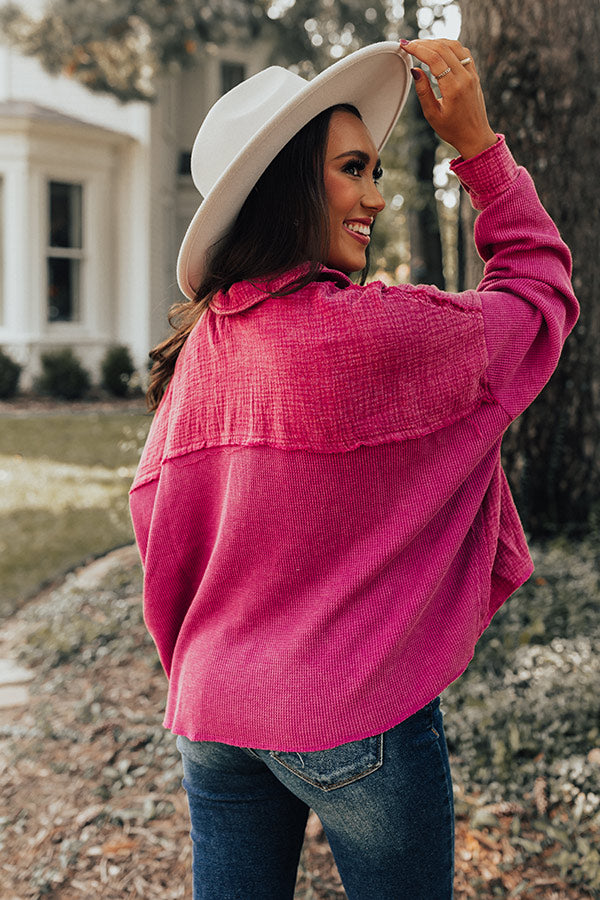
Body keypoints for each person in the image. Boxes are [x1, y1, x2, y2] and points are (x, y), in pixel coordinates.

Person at [129, 37, 578, 900]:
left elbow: (157, 526)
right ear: (289, 186)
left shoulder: (203, 352)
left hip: (212, 711)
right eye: (351, 170)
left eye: (374, 170)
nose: (377, 195)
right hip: (350, 711)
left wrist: (204, 665)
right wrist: (479, 151)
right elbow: (538, 295)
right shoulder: (373, 334)